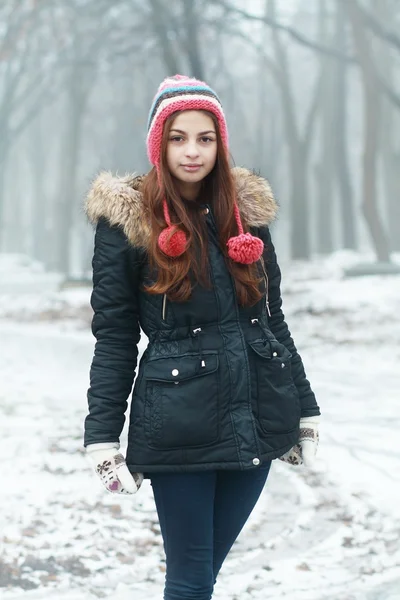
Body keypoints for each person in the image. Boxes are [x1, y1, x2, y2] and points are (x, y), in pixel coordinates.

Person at [83, 74, 320, 600]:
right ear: (158, 142)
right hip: (177, 427)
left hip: (258, 418)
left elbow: (272, 320)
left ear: (220, 142)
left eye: (205, 138)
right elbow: (116, 338)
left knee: (203, 578)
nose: (192, 151)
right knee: (190, 580)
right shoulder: (128, 224)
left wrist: (305, 408)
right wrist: (101, 436)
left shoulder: (247, 217)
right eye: (178, 137)